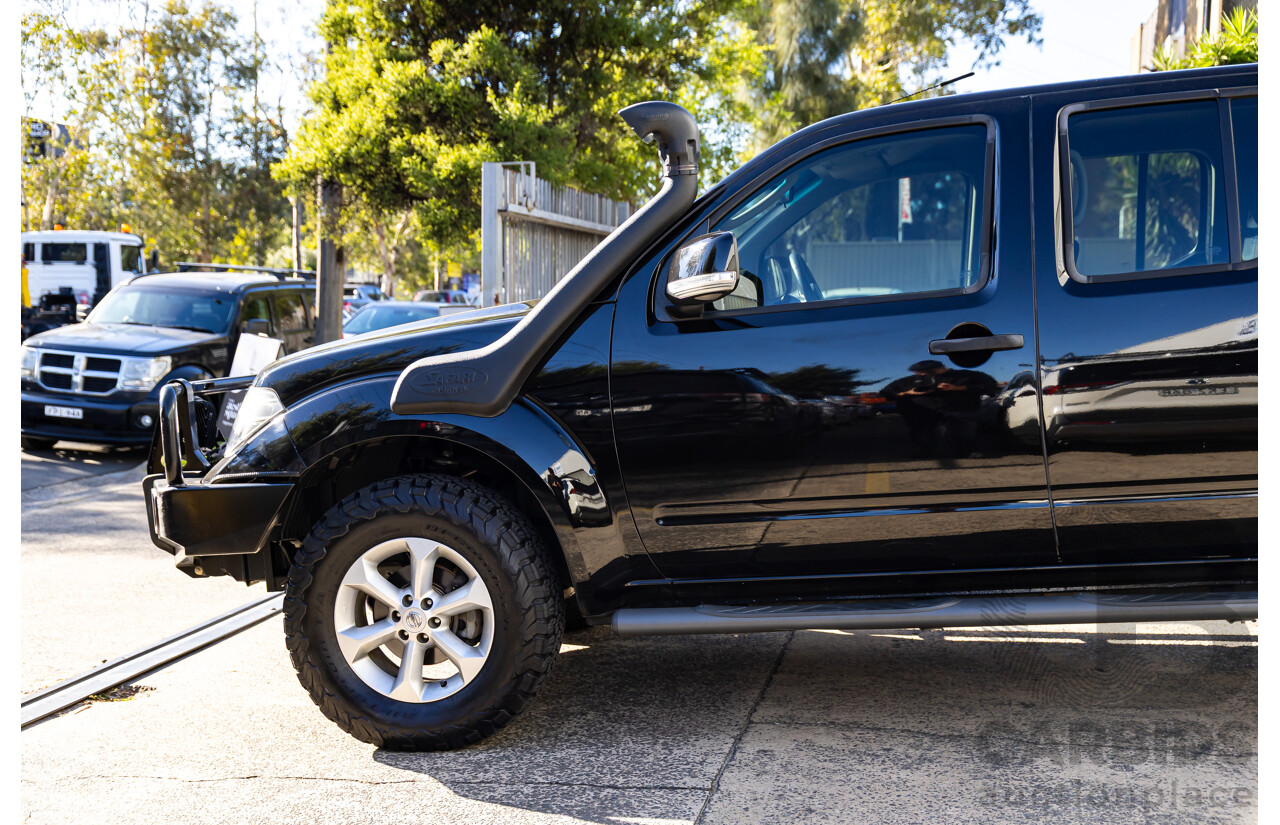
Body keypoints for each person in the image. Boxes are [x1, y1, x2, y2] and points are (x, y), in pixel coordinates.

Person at [882, 360, 997, 458]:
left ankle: (971, 450)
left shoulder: (968, 375)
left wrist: (957, 388)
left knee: (966, 429)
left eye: (931, 372)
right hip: (923, 413)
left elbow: (991, 385)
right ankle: (925, 451)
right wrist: (907, 392)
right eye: (921, 374)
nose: (926, 375)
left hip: (962, 409)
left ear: (942, 367)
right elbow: (886, 392)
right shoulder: (909, 380)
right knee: (923, 433)